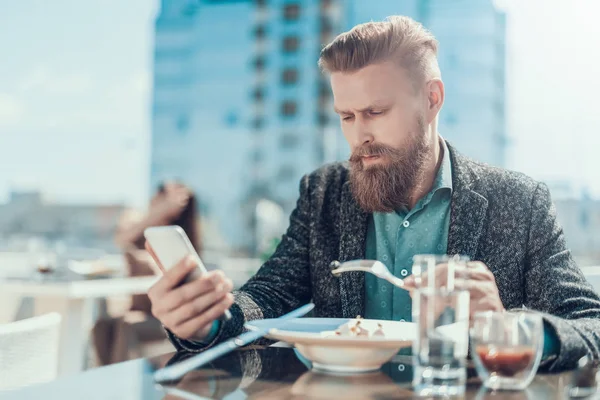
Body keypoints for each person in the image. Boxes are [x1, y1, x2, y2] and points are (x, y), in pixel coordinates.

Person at [146, 16, 600, 372]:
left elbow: (591, 326)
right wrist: (207, 323)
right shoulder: (323, 192)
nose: (359, 135)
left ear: (432, 99)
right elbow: (269, 295)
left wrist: (510, 328)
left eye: (375, 111)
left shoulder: (518, 203)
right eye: (346, 116)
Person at [92, 182, 201, 365]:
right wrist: (157, 213)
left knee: (127, 325)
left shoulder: (177, 242)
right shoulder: (144, 228)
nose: (154, 200)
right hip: (142, 309)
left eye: (160, 197)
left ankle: (121, 388)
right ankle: (104, 382)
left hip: (165, 316)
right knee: (102, 325)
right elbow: (121, 238)